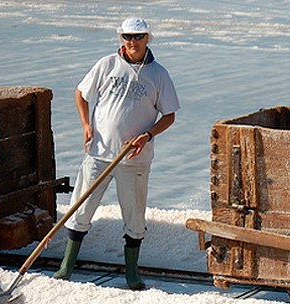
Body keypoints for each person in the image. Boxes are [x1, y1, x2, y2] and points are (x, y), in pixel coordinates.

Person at [53, 17, 180, 290]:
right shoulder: (107, 64)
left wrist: (147, 136)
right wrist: (86, 125)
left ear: (148, 38)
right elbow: (81, 93)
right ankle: (66, 267)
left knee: (134, 215)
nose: (132, 42)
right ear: (120, 38)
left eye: (138, 36)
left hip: (135, 158)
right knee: (80, 208)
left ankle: (132, 273)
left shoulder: (159, 74)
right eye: (127, 37)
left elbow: (169, 115)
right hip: (98, 153)